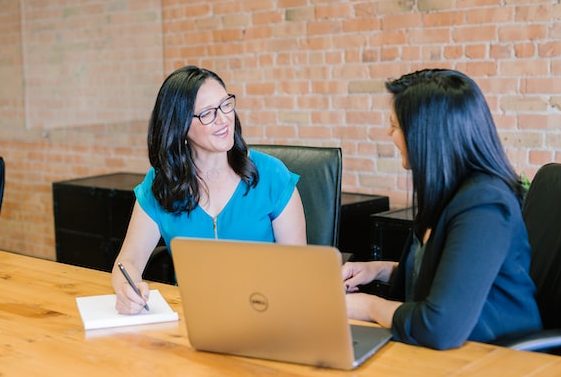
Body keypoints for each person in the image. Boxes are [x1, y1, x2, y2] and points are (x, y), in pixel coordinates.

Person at [342, 69, 542, 349]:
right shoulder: (448, 192)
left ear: (426, 135)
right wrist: (378, 270)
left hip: (495, 355)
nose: (389, 134)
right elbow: (444, 274)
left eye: (395, 126)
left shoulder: (485, 206)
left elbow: (439, 326)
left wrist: (369, 307)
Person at [112, 66, 306, 314]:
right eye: (207, 113)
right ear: (180, 126)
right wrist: (126, 290)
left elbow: (299, 273)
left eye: (226, 105)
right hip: (192, 320)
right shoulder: (160, 185)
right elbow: (128, 261)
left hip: (265, 314)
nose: (224, 119)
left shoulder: (272, 176)